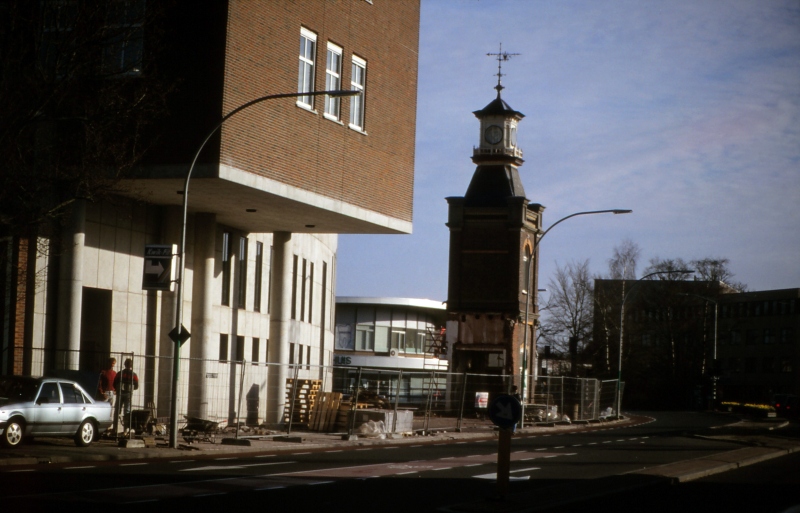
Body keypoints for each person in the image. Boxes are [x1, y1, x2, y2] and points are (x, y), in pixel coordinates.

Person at [113, 358, 139, 431]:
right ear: (131, 365)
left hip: (120, 393)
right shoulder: (133, 375)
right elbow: (136, 386)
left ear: (124, 364)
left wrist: (117, 389)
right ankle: (125, 430)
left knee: (117, 410)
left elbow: (114, 383)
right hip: (128, 394)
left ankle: (115, 428)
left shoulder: (119, 373)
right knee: (127, 411)